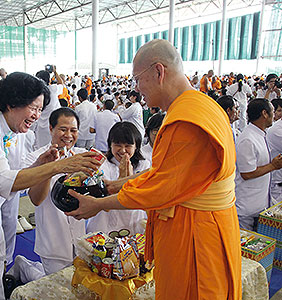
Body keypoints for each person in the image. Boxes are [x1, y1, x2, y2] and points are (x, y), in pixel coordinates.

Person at [66, 39, 241, 299]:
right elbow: (166, 174)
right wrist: (115, 185)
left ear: (159, 72)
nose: (136, 88)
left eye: (138, 79)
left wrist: (99, 204)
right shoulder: (202, 106)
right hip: (200, 224)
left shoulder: (187, 121)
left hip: (197, 235)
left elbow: (161, 190)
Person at [0, 72, 100, 300]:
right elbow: (2, 180)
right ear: (12, 103)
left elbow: (14, 179)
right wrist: (58, 167)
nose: (36, 115)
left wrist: (39, 165)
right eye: (33, 108)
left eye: (39, 110)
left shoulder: (14, 133)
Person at [25, 107, 87, 275]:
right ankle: (25, 269)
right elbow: (36, 199)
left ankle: (27, 268)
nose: (68, 135)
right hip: (53, 239)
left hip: (80, 238)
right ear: (51, 128)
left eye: (73, 130)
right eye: (63, 129)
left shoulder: (82, 156)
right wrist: (50, 167)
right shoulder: (37, 158)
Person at [87, 121, 149, 235]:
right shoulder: (102, 164)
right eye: (118, 145)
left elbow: (145, 196)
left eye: (128, 146)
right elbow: (102, 193)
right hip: (105, 223)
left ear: (136, 146)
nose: (123, 150)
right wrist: (122, 179)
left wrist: (130, 179)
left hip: (134, 222)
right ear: (110, 145)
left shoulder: (144, 165)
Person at [235, 98, 282, 230]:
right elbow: (246, 174)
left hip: (260, 202)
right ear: (264, 113)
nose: (275, 116)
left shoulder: (260, 134)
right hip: (247, 208)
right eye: (273, 111)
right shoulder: (247, 139)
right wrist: (273, 166)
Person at [35, 66, 64, 148]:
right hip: (54, 126)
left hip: (40, 128)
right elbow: (61, 83)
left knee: (41, 150)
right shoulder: (53, 89)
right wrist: (55, 71)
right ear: (49, 80)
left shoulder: (34, 93)